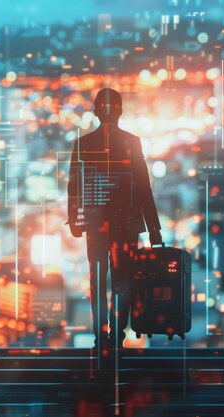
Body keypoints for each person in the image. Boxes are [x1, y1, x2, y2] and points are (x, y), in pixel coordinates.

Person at [67, 88, 162, 354]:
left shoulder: (82, 143)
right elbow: (143, 187)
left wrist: (75, 218)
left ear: (95, 111)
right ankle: (117, 337)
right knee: (123, 280)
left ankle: (101, 337)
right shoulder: (132, 141)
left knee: (97, 280)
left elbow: (74, 186)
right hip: (128, 225)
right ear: (121, 110)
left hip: (96, 224)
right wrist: (153, 229)